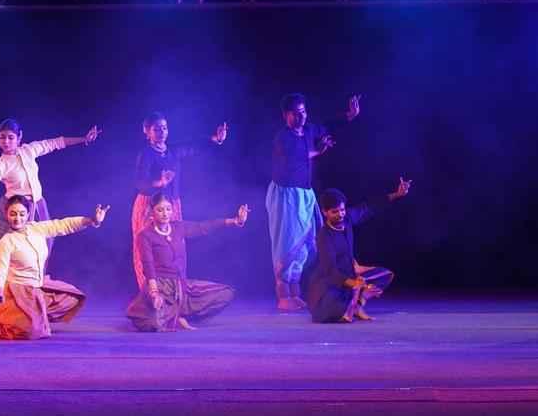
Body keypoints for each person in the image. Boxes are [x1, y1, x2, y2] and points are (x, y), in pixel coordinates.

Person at [0, 118, 101, 288]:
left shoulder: (29, 150)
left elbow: (56, 143)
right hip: (16, 208)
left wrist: (84, 139)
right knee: (2, 247)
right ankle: (2, 288)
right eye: (2, 137)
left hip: (37, 205)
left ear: (19, 137)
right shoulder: (0, 164)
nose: (6, 142)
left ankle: (35, 282)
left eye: (11, 137)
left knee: (46, 241)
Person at [265, 93, 361, 311]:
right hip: (286, 196)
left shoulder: (308, 130)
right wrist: (319, 150)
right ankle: (283, 296)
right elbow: (297, 157)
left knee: (306, 241)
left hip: (304, 193)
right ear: (285, 115)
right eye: (295, 113)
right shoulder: (283, 138)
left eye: (303, 112)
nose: (301, 117)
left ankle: (294, 293)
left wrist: (349, 115)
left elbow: (327, 125)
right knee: (287, 243)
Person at [0, 196, 109, 340]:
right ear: (6, 215)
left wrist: (92, 220)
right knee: (32, 331)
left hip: (37, 287)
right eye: (13, 214)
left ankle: (36, 315)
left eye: (21, 214)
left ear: (28, 214)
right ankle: (4, 321)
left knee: (72, 298)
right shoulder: (6, 241)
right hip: (18, 291)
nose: (17, 218)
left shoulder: (37, 229)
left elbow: (63, 225)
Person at [131, 112, 228, 288]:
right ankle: (150, 292)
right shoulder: (145, 154)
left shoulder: (173, 151)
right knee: (149, 249)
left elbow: (193, 146)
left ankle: (175, 292)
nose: (162, 132)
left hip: (172, 205)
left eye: (164, 128)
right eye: (157, 129)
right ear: (147, 131)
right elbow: (140, 183)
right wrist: (159, 183)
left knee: (174, 248)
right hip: (149, 206)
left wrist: (216, 139)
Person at [126, 193, 249, 332]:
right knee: (151, 323)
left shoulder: (178, 227)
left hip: (181, 287)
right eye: (160, 210)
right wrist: (154, 293)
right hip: (161, 287)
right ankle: (173, 316)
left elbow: (203, 227)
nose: (165, 213)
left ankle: (178, 315)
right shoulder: (145, 236)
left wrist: (235, 220)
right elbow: (148, 265)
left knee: (226, 294)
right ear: (152, 213)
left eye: (168, 209)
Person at [305, 177, 412, 323]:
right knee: (327, 312)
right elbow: (331, 273)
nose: (340, 214)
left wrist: (397, 194)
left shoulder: (347, 219)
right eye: (335, 212)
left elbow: (370, 208)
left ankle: (357, 304)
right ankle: (351, 303)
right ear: (325, 212)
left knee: (384, 275)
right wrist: (356, 284)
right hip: (330, 284)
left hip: (352, 275)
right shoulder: (324, 236)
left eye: (342, 210)